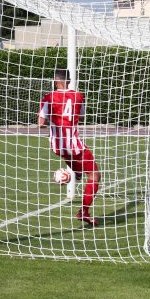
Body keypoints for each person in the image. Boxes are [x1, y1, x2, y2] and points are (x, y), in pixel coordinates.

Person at [38, 69, 101, 226]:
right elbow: (81, 116)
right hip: (74, 145)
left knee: (70, 157)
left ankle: (76, 171)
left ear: (55, 81)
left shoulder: (48, 97)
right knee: (94, 175)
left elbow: (40, 123)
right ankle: (84, 212)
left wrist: (52, 125)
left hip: (57, 146)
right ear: (69, 80)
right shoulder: (78, 96)